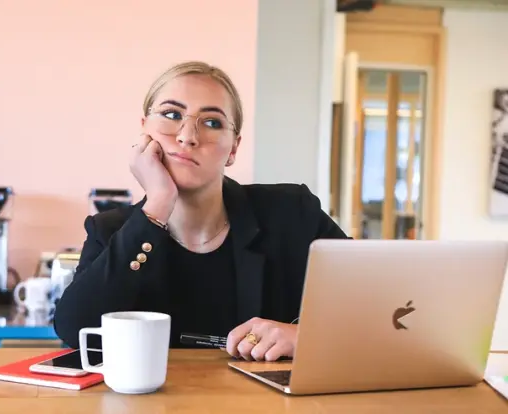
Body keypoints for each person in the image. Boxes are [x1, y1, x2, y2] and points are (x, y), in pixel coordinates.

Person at [53, 61, 349, 362]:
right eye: (171, 115)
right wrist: (156, 206)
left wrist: (306, 337)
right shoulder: (110, 231)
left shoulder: (293, 213)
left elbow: (381, 305)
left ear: (233, 148)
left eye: (211, 122)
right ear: (144, 131)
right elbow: (75, 329)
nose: (187, 136)